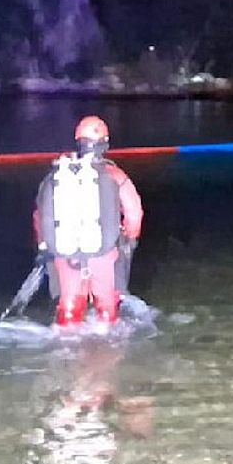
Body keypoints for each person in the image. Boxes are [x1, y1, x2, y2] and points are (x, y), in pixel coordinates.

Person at [34, 115, 143, 327]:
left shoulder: (56, 175)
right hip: (104, 253)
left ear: (78, 142)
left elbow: (39, 215)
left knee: (69, 307)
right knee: (107, 307)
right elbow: (134, 213)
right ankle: (110, 352)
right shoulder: (115, 174)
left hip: (65, 252)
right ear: (105, 142)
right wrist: (129, 240)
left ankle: (65, 348)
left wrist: (43, 246)